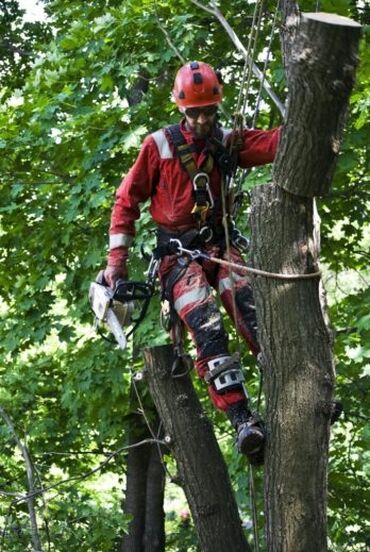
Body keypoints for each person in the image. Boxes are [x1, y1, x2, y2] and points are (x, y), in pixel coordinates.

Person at [103, 61, 280, 465]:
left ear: (217, 108)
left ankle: (296, 392)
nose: (202, 119)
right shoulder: (159, 146)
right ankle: (242, 421)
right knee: (208, 328)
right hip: (178, 257)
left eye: (208, 111)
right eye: (194, 112)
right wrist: (117, 262)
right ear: (181, 110)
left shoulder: (226, 143)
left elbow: (272, 142)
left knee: (255, 313)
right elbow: (126, 202)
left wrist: (307, 130)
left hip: (219, 247)